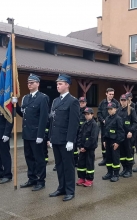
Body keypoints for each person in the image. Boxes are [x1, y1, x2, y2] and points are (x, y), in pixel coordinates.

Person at [15, 74, 49, 191]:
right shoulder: (26, 98)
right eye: (28, 83)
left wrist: (40, 135)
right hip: (27, 133)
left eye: (32, 82)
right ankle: (32, 178)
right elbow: (23, 114)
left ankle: (40, 181)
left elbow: (44, 118)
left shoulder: (43, 98)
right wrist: (16, 106)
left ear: (38, 84)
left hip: (36, 135)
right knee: (29, 157)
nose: (29, 84)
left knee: (39, 158)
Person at [48, 74, 79, 202]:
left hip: (66, 140)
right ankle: (61, 188)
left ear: (67, 85)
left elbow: (74, 122)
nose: (58, 86)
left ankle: (70, 190)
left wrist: (71, 140)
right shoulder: (55, 101)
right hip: (56, 138)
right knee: (59, 165)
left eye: (60, 83)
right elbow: (52, 121)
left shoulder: (73, 101)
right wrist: (50, 137)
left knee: (68, 166)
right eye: (57, 84)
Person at [101, 102, 125, 182]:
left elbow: (121, 132)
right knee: (109, 158)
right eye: (108, 109)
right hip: (108, 141)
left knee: (115, 158)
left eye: (111, 109)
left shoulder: (118, 119)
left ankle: (116, 174)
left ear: (115, 109)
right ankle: (109, 172)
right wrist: (104, 140)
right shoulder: (107, 118)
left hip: (115, 141)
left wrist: (118, 142)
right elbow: (105, 130)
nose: (110, 111)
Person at [76, 107, 99, 187]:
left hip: (89, 148)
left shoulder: (94, 125)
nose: (86, 116)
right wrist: (80, 146)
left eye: (88, 114)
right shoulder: (84, 124)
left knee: (89, 163)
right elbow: (79, 135)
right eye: (85, 114)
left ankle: (89, 179)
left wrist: (85, 147)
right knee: (81, 163)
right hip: (82, 148)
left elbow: (93, 138)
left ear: (92, 115)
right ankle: (82, 178)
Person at [97, 88, 120, 166]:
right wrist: (103, 120)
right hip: (104, 125)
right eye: (110, 94)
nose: (111, 96)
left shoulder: (116, 103)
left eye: (112, 94)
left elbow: (118, 114)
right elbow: (99, 113)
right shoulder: (102, 103)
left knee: (112, 142)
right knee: (104, 142)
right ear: (106, 93)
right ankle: (105, 158)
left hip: (113, 127)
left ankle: (112, 158)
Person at [117, 94, 137, 177]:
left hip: (128, 136)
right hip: (120, 135)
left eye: (124, 100)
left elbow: (135, 123)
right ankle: (124, 168)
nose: (123, 102)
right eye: (121, 100)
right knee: (122, 154)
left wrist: (131, 131)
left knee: (128, 153)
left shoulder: (131, 110)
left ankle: (129, 170)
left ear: (127, 101)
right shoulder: (118, 110)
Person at [75, 97, 88, 165]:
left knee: (83, 147)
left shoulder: (87, 111)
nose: (81, 104)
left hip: (84, 132)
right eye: (80, 102)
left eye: (83, 102)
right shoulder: (76, 110)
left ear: (85, 103)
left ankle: (83, 161)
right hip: (76, 131)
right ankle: (75, 160)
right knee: (75, 147)